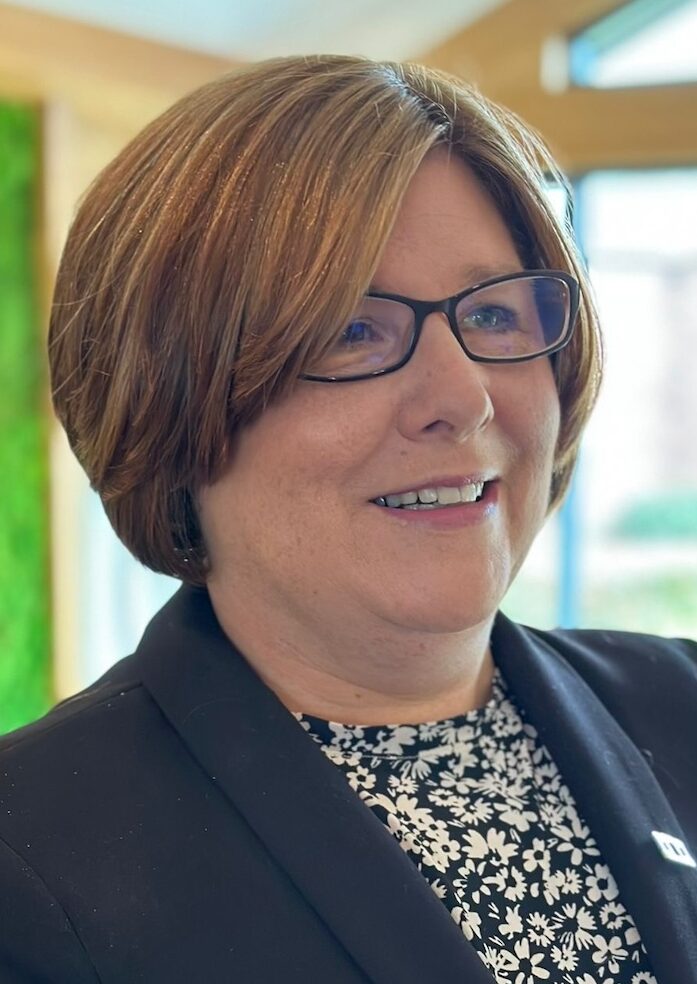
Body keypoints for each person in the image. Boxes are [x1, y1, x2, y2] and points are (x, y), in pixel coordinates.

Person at [0, 54, 695, 984]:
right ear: (166, 400)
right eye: (350, 330)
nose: (463, 395)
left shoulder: (679, 700)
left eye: (492, 314)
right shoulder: (31, 849)